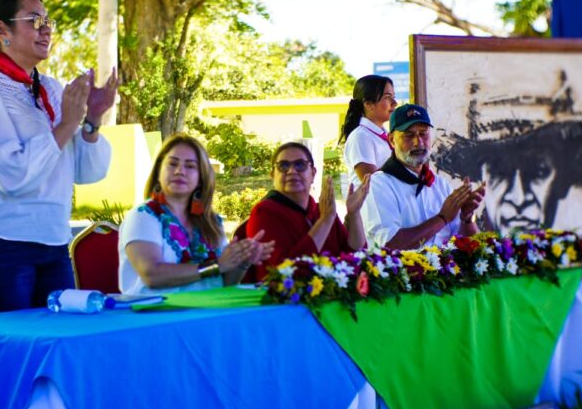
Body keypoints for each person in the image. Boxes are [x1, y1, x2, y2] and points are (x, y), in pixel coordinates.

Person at [0, 0, 118, 313]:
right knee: (15, 353)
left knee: (55, 346)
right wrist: (67, 125)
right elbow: (11, 175)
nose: (46, 29)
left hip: (53, 240)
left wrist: (93, 121)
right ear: (2, 30)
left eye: (48, 21)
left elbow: (87, 173)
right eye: (33, 20)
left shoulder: (52, 89)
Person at [432, 72, 582, 233]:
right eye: (499, 173)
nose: (518, 198)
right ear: (480, 179)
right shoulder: (473, 247)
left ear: (562, 182)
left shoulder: (579, 243)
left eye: (537, 173)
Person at [119, 134, 274, 294]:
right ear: (159, 171)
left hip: (208, 313)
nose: (180, 171)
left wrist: (242, 261)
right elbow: (152, 275)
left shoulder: (212, 221)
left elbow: (224, 283)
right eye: (172, 164)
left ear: (201, 177)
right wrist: (216, 266)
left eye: (190, 166)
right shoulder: (143, 216)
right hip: (156, 316)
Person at [365, 104, 485, 250]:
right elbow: (390, 244)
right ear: (391, 140)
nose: (418, 142)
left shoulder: (440, 184)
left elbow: (466, 245)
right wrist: (442, 218)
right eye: (409, 135)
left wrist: (466, 217)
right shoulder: (379, 184)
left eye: (423, 134)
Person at [246, 141, 369, 281]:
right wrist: (325, 221)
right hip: (284, 300)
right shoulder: (265, 213)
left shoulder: (320, 209)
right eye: (284, 166)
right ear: (273, 175)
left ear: (313, 173)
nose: (292, 171)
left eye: (300, 165)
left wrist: (354, 214)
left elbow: (355, 254)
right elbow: (286, 271)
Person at [339, 74, 397, 187]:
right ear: (369, 104)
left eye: (393, 97)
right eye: (387, 97)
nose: (394, 103)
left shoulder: (384, 134)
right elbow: (372, 182)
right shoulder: (361, 136)